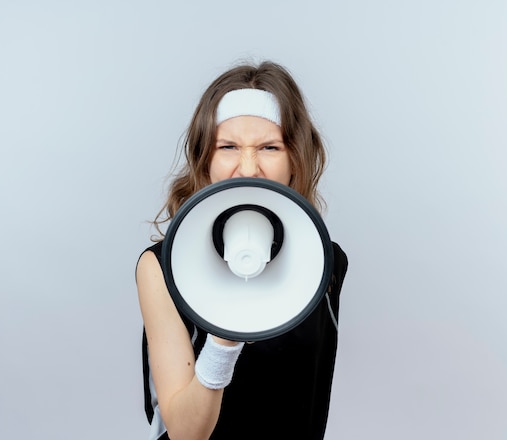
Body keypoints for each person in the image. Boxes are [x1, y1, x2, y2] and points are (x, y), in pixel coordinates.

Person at [136, 61, 348, 440]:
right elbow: (186, 432)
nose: (248, 167)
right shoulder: (160, 268)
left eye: (270, 146)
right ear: (205, 158)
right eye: (228, 146)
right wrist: (224, 336)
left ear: (295, 158)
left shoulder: (326, 262)